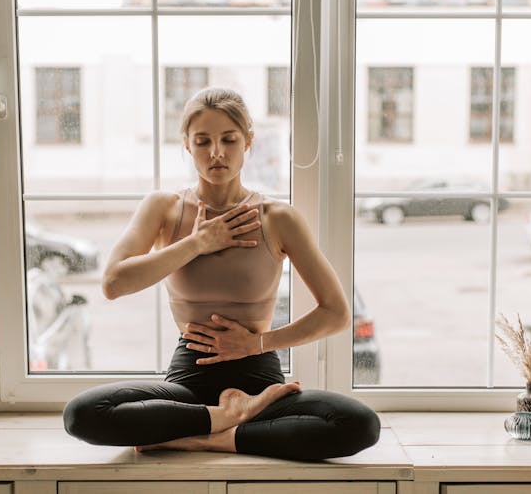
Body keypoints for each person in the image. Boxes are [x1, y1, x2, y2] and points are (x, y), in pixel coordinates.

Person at [63, 87, 380, 461]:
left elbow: (336, 312)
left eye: (229, 140)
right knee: (82, 415)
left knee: (359, 424)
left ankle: (209, 436)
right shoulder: (164, 208)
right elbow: (114, 283)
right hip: (188, 381)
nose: (216, 153)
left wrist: (255, 344)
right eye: (203, 141)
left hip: (259, 382)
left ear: (248, 142)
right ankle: (226, 419)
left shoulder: (277, 218)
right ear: (186, 145)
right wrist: (197, 243)